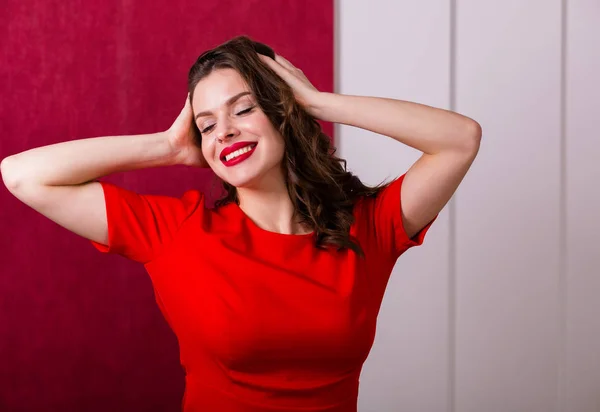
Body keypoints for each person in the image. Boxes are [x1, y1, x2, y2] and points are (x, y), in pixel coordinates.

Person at [1, 36, 481, 411]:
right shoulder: (176, 231)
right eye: (206, 124)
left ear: (282, 114)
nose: (224, 130)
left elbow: (460, 139)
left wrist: (318, 103)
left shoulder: (367, 228)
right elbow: (21, 175)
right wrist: (166, 146)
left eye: (244, 108)